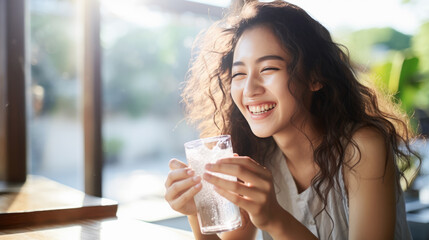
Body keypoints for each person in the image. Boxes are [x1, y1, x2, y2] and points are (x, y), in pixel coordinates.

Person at [164, 1, 420, 239]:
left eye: (268, 69)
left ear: (315, 77)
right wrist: (196, 211)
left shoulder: (362, 147)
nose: (249, 89)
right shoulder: (253, 155)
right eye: (239, 73)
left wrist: (274, 218)